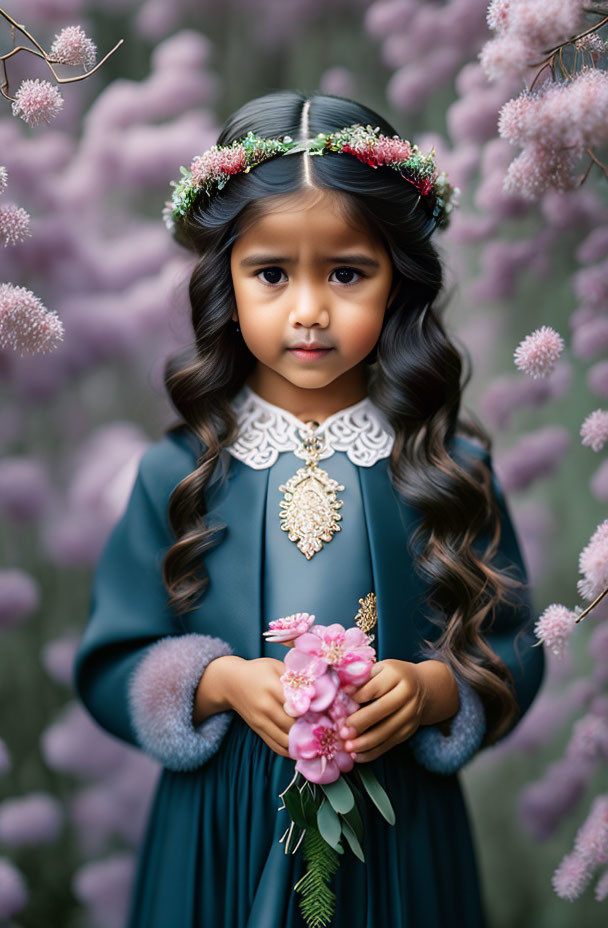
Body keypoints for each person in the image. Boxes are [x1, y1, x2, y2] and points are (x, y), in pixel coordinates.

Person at [73, 90, 546, 928]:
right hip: (220, 826)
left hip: (396, 826)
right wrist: (215, 682)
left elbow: (514, 643)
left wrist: (435, 691)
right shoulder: (177, 473)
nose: (308, 311)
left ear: (399, 277)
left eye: (347, 272)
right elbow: (113, 660)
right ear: (225, 277)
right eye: (270, 273)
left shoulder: (448, 469)